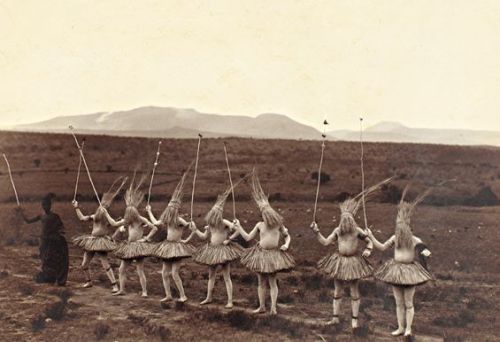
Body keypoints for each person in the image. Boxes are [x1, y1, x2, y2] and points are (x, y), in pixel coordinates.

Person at [367, 186, 433, 337]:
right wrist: (370, 236)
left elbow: (426, 251)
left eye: (402, 225)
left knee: (408, 303)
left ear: (407, 226)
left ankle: (408, 329)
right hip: (396, 271)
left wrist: (425, 253)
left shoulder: (414, 239)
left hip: (409, 272)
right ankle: (400, 327)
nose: (399, 228)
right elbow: (382, 247)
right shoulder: (395, 238)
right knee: (398, 302)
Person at [233, 172, 295, 315]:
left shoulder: (278, 224)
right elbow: (248, 238)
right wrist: (239, 227)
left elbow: (287, 236)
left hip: (273, 255)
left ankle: (273, 308)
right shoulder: (260, 224)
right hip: (261, 254)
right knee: (261, 281)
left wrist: (287, 244)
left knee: (273, 282)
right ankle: (262, 306)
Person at [310, 197, 373, 329]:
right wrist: (317, 232)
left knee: (354, 292)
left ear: (351, 220)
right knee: (337, 291)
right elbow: (326, 242)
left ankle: (354, 321)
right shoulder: (338, 231)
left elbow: (369, 241)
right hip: (339, 262)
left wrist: (368, 249)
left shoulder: (357, 231)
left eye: (348, 219)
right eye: (343, 219)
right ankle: (335, 318)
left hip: (353, 263)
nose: (345, 221)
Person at [190, 183, 245, 308]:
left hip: (223, 251)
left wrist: (229, 238)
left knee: (226, 276)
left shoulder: (224, 222)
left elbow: (236, 229)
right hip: (212, 250)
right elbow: (204, 237)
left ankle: (230, 301)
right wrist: (195, 230)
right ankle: (209, 297)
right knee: (211, 275)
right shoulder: (210, 225)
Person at [145, 167, 196, 303]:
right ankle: (168, 295)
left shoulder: (180, 220)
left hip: (177, 248)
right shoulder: (168, 219)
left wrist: (187, 239)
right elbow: (156, 223)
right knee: (164, 273)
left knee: (174, 273)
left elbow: (191, 228)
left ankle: (183, 295)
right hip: (167, 247)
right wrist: (149, 211)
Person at [104, 176, 158, 297]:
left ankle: (144, 291)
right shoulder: (127, 220)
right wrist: (106, 213)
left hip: (138, 246)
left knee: (140, 270)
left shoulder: (140, 220)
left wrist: (146, 238)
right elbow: (114, 224)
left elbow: (155, 227)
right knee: (122, 269)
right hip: (129, 247)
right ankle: (122, 290)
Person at [71, 177, 127, 292]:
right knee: (84, 264)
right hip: (91, 241)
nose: (103, 207)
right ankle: (88, 281)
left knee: (105, 264)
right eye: (102, 205)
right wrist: (76, 207)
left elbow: (113, 223)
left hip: (101, 242)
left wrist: (110, 215)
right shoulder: (94, 216)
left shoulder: (105, 216)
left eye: (105, 206)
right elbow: (82, 218)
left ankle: (114, 285)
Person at [17, 193, 69, 286]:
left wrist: (59, 233)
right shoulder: (41, 216)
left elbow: (61, 228)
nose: (46, 207)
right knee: (44, 259)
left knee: (53, 259)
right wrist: (21, 213)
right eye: (44, 205)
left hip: (53, 241)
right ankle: (49, 277)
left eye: (47, 205)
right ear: (42, 206)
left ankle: (58, 279)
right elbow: (28, 221)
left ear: (50, 205)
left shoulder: (55, 216)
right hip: (44, 242)